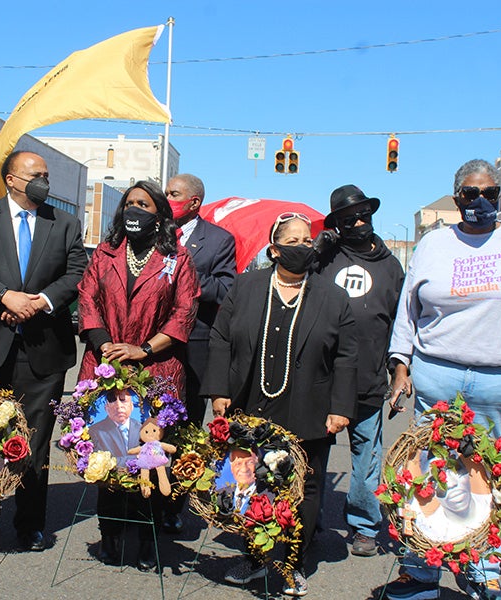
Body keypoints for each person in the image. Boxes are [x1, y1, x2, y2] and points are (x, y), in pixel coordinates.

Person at [385, 159, 501, 600]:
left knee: (486, 474)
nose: (482, 202)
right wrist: (401, 368)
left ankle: (482, 569)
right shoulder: (433, 244)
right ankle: (420, 569)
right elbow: (407, 314)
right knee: (428, 470)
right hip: (436, 375)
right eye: (471, 194)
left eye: (491, 193)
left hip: (497, 380)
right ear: (457, 200)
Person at [204, 212, 357, 597]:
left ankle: (294, 564)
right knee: (251, 482)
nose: (304, 247)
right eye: (294, 242)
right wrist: (219, 390)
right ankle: (255, 559)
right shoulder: (246, 287)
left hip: (309, 407)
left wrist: (340, 408)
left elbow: (346, 357)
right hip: (252, 405)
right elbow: (221, 339)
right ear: (274, 250)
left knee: (304, 487)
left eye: (308, 241)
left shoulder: (332, 296)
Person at [0, 150, 87, 550]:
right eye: (35, 174)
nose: (43, 181)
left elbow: (77, 272)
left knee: (35, 437)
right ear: (10, 179)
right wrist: (4, 297)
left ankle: (30, 522)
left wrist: (38, 302)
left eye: (46, 175)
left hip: (42, 347)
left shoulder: (64, 223)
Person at [77, 179, 198, 571]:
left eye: (144, 204)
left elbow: (185, 312)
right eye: (130, 203)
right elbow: (87, 299)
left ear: (159, 214)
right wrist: (107, 345)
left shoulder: (177, 259)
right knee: (108, 454)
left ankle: (148, 541)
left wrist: (142, 349)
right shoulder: (105, 254)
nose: (135, 210)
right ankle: (110, 535)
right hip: (105, 365)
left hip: (155, 367)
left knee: (148, 458)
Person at [314, 184, 404, 557]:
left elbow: (402, 323)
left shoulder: (390, 265)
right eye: (349, 219)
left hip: (368, 378)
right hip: (322, 378)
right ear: (337, 223)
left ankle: (365, 524)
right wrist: (316, 249)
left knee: (367, 456)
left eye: (363, 215)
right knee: (313, 455)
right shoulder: (325, 258)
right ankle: (307, 518)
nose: (359, 222)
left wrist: (400, 369)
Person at [163, 173, 236, 532]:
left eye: (174, 194)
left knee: (185, 425)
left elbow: (226, 289)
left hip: (194, 345)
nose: (167, 198)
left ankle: (173, 504)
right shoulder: (154, 232)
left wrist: (185, 274)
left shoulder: (219, 240)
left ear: (194, 202)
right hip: (151, 343)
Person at [88, 389, 143, 461]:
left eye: (123, 400)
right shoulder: (95, 431)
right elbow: (102, 462)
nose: (119, 406)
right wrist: (136, 458)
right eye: (113, 401)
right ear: (106, 408)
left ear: (132, 406)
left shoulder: (142, 428)